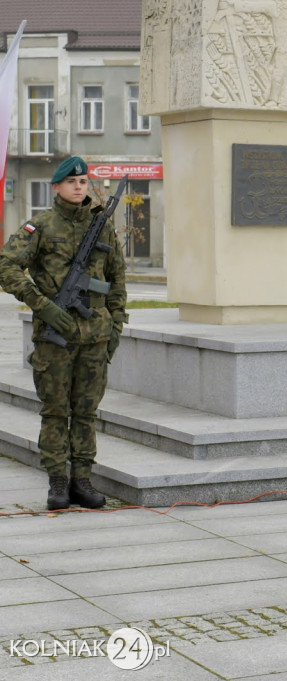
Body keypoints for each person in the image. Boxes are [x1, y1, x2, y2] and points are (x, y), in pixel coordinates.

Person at [0, 157, 127, 510]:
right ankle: (57, 481)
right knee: (56, 412)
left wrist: (115, 325)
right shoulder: (40, 226)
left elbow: (117, 280)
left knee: (86, 412)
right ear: (56, 187)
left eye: (84, 182)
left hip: (95, 337)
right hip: (55, 338)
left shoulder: (102, 227)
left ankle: (81, 481)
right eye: (72, 182)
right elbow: (5, 266)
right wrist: (44, 306)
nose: (79, 187)